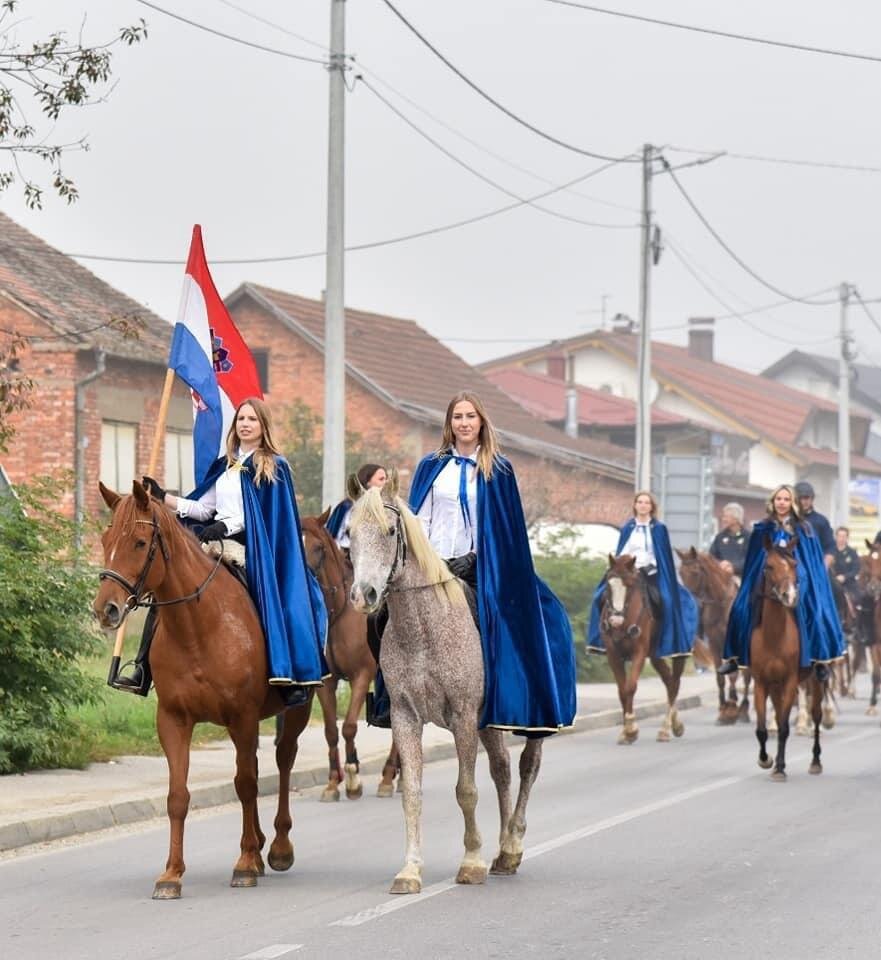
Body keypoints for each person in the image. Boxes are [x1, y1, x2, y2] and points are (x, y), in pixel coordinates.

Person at [370, 391, 577, 735]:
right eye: (457, 417)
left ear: (481, 422)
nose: (464, 423)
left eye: (470, 416)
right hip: (432, 563)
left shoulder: (498, 468)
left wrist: (474, 559)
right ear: (449, 424)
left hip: (480, 565)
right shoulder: (430, 465)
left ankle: (506, 696)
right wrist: (426, 559)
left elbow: (502, 527)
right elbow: (420, 518)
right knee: (382, 617)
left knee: (498, 618)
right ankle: (391, 696)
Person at [115, 398, 327, 704]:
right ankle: (143, 666)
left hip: (254, 548)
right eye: (241, 419)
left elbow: (266, 515)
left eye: (252, 419)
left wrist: (225, 528)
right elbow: (203, 509)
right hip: (214, 543)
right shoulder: (225, 466)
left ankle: (284, 672)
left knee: (264, 596)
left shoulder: (274, 466)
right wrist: (164, 498)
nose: (245, 424)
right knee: (171, 586)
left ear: (263, 426)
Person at [718, 484, 844, 677]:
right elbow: (755, 557)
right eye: (779, 499)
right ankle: (735, 656)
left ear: (792, 502)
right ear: (773, 501)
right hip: (768, 573)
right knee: (739, 608)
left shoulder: (804, 527)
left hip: (797, 573)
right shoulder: (762, 527)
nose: (782, 503)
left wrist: (797, 572)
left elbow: (810, 557)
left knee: (815, 608)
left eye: (786, 499)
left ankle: (819, 659)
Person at [586, 491, 697, 659]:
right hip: (627, 571)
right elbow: (623, 549)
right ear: (635, 505)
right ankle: (600, 641)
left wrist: (648, 566)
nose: (643, 505)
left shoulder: (659, 529)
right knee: (599, 596)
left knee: (666, 600)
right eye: (640, 502)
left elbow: (661, 554)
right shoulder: (628, 527)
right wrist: (621, 564)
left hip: (650, 573)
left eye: (647, 503)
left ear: (652, 507)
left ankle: (667, 642)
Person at [325, 463, 387, 553]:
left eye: (386, 479)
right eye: (381, 479)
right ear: (367, 482)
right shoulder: (346, 507)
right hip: (346, 559)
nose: (385, 483)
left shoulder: (389, 508)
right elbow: (332, 536)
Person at [794, 481, 835, 566]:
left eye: (806, 498)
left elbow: (830, 547)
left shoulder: (821, 521)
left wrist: (824, 567)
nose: (803, 501)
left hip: (816, 566)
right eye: (800, 498)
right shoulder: (788, 520)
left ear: (812, 499)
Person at [708, 502, 749, 579]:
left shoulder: (749, 537)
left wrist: (733, 567)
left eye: (726, 517)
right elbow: (711, 556)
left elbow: (751, 559)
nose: (723, 519)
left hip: (742, 578)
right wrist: (720, 564)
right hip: (720, 577)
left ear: (736, 519)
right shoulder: (720, 537)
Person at [830, 526, 860, 625]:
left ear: (847, 538)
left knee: (857, 599)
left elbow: (856, 569)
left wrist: (845, 576)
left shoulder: (852, 553)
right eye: (839, 536)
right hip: (831, 583)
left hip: (848, 584)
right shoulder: (830, 552)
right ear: (836, 537)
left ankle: (853, 624)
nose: (841, 539)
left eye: (844, 536)